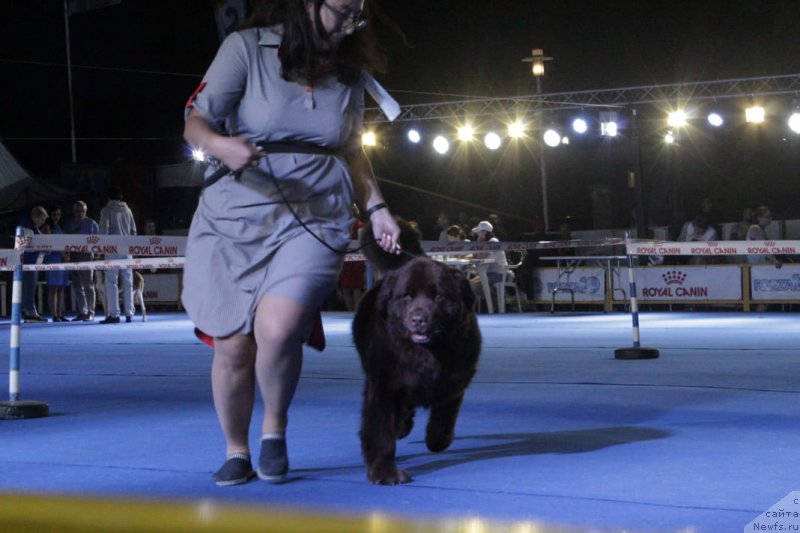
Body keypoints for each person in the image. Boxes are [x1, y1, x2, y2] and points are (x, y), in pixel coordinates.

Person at [182, 0, 401, 487]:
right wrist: (221, 145)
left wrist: (378, 206)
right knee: (234, 344)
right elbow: (196, 121)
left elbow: (353, 149)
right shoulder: (245, 48)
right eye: (343, 11)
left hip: (317, 212)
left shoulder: (349, 73)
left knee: (279, 328)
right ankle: (236, 449)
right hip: (234, 213)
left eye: (359, 16)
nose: (349, 24)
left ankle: (274, 431)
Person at [99, 186, 137, 324]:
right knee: (128, 282)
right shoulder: (128, 210)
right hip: (127, 249)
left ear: (108, 197)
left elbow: (104, 231)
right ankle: (129, 313)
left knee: (111, 282)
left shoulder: (106, 210)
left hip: (112, 249)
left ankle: (114, 314)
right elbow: (134, 231)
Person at [67, 201, 100, 322]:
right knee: (77, 286)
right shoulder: (70, 223)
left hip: (86, 256)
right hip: (73, 256)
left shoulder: (92, 223)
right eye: (77, 211)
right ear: (73, 211)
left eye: (82, 211)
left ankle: (91, 312)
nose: (80, 213)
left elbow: (99, 241)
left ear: (86, 211)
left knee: (88, 285)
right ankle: (82, 311)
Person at [747, 206, 782, 312]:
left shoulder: (762, 230)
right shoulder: (755, 228)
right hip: (759, 269)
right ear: (759, 218)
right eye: (767, 216)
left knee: (766, 299)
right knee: (764, 299)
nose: (770, 218)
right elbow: (764, 248)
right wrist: (774, 260)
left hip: (763, 268)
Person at [468, 220, 509, 310]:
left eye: (478, 232)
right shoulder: (486, 242)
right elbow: (478, 255)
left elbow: (481, 255)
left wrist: (479, 244)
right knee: (468, 283)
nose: (477, 235)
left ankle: (487, 308)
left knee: (473, 285)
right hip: (489, 273)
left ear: (484, 232)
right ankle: (487, 307)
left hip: (500, 274)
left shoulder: (493, 241)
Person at [18, 205, 48, 322]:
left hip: (33, 262)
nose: (42, 222)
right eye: (42, 220)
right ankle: (30, 312)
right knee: (29, 287)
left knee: (29, 287)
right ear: (36, 217)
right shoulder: (25, 227)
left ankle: (29, 311)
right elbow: (24, 245)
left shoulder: (31, 227)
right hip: (28, 262)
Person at [43, 207, 69, 322]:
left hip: (63, 259)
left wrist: (67, 254)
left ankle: (60, 313)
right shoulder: (47, 227)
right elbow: (51, 244)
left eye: (59, 214)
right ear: (50, 215)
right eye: (54, 214)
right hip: (53, 258)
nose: (57, 217)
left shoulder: (59, 227)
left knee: (61, 287)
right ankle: (54, 314)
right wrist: (63, 255)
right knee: (53, 287)